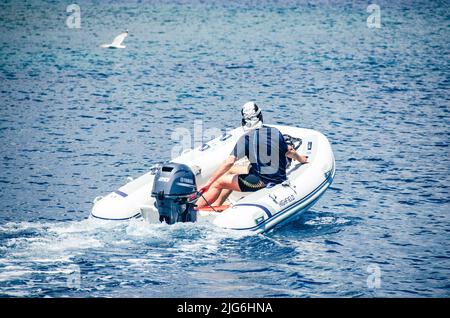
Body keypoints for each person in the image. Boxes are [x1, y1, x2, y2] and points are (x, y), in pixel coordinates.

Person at [196, 102, 308, 209]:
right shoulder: (275, 132)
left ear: (244, 121)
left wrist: (208, 183)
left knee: (218, 183)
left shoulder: (246, 138)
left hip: (260, 182)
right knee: (233, 171)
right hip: (279, 177)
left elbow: (229, 162)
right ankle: (218, 205)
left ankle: (195, 209)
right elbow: (288, 151)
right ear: (260, 116)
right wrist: (301, 159)